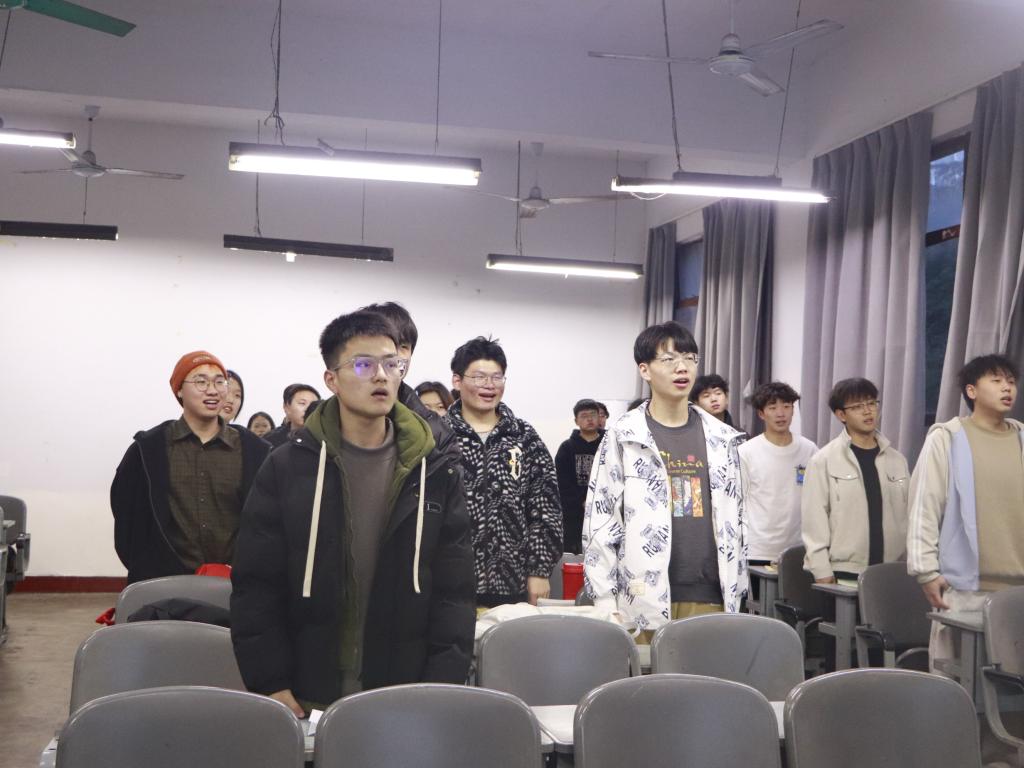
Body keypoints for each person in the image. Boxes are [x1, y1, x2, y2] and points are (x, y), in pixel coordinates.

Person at [231, 311, 475, 715]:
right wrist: (269, 680)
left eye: (392, 364)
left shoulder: (433, 470)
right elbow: (256, 585)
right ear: (332, 379)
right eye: (363, 364)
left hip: (406, 692)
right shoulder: (288, 467)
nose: (381, 376)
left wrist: (441, 684)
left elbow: (455, 592)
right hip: (307, 692)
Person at [583, 322, 747, 637]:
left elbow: (738, 520)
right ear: (644, 370)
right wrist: (604, 600)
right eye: (669, 359)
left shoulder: (722, 439)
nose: (682, 367)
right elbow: (601, 522)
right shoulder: (624, 436)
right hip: (642, 598)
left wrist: (738, 589)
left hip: (712, 595)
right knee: (647, 671)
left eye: (689, 358)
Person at [110, 351, 271, 583]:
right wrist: (146, 565)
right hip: (165, 582)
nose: (212, 390)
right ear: (179, 390)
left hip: (238, 583)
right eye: (201, 382)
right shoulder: (148, 449)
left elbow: (269, 519)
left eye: (219, 382)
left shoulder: (255, 451)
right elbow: (127, 516)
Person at [907, 354, 1023, 668]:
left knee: (1011, 687)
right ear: (972, 391)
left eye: (1011, 382)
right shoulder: (947, 438)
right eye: (996, 381)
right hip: (965, 588)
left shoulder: (1021, 438)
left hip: (1018, 591)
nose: (1007, 388)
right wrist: (925, 571)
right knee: (959, 679)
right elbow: (924, 507)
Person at [445, 336, 562, 607]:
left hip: (513, 585)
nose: (489, 385)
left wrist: (539, 570)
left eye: (497, 377)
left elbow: (546, 507)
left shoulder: (523, 436)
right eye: (479, 377)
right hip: (449, 585)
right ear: (457, 381)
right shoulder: (440, 436)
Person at [801, 378, 910, 584]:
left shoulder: (897, 460)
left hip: (892, 572)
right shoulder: (823, 461)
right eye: (858, 406)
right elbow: (814, 522)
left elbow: (909, 515)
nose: (867, 411)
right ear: (841, 415)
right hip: (845, 574)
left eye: (871, 403)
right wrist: (822, 571)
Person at [360, 302, 459, 464]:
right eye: (386, 343)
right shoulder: (330, 417)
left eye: (403, 347)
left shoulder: (435, 429)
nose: (394, 355)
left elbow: (451, 477)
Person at [738, 382, 817, 565]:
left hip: (798, 549)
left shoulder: (809, 449)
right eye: (772, 408)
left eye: (787, 406)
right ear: (761, 413)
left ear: (793, 410)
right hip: (758, 550)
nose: (781, 413)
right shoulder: (746, 452)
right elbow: (737, 502)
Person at [555, 399, 604, 554]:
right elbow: (562, 483)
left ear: (599, 417)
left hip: (604, 513)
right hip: (574, 516)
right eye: (584, 416)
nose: (589, 419)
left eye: (593, 415)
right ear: (576, 421)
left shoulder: (609, 445)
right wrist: (583, 502)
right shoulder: (566, 448)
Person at [263, 384, 321, 448]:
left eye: (313, 404)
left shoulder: (325, 437)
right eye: (302, 403)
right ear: (286, 407)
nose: (308, 409)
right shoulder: (270, 441)